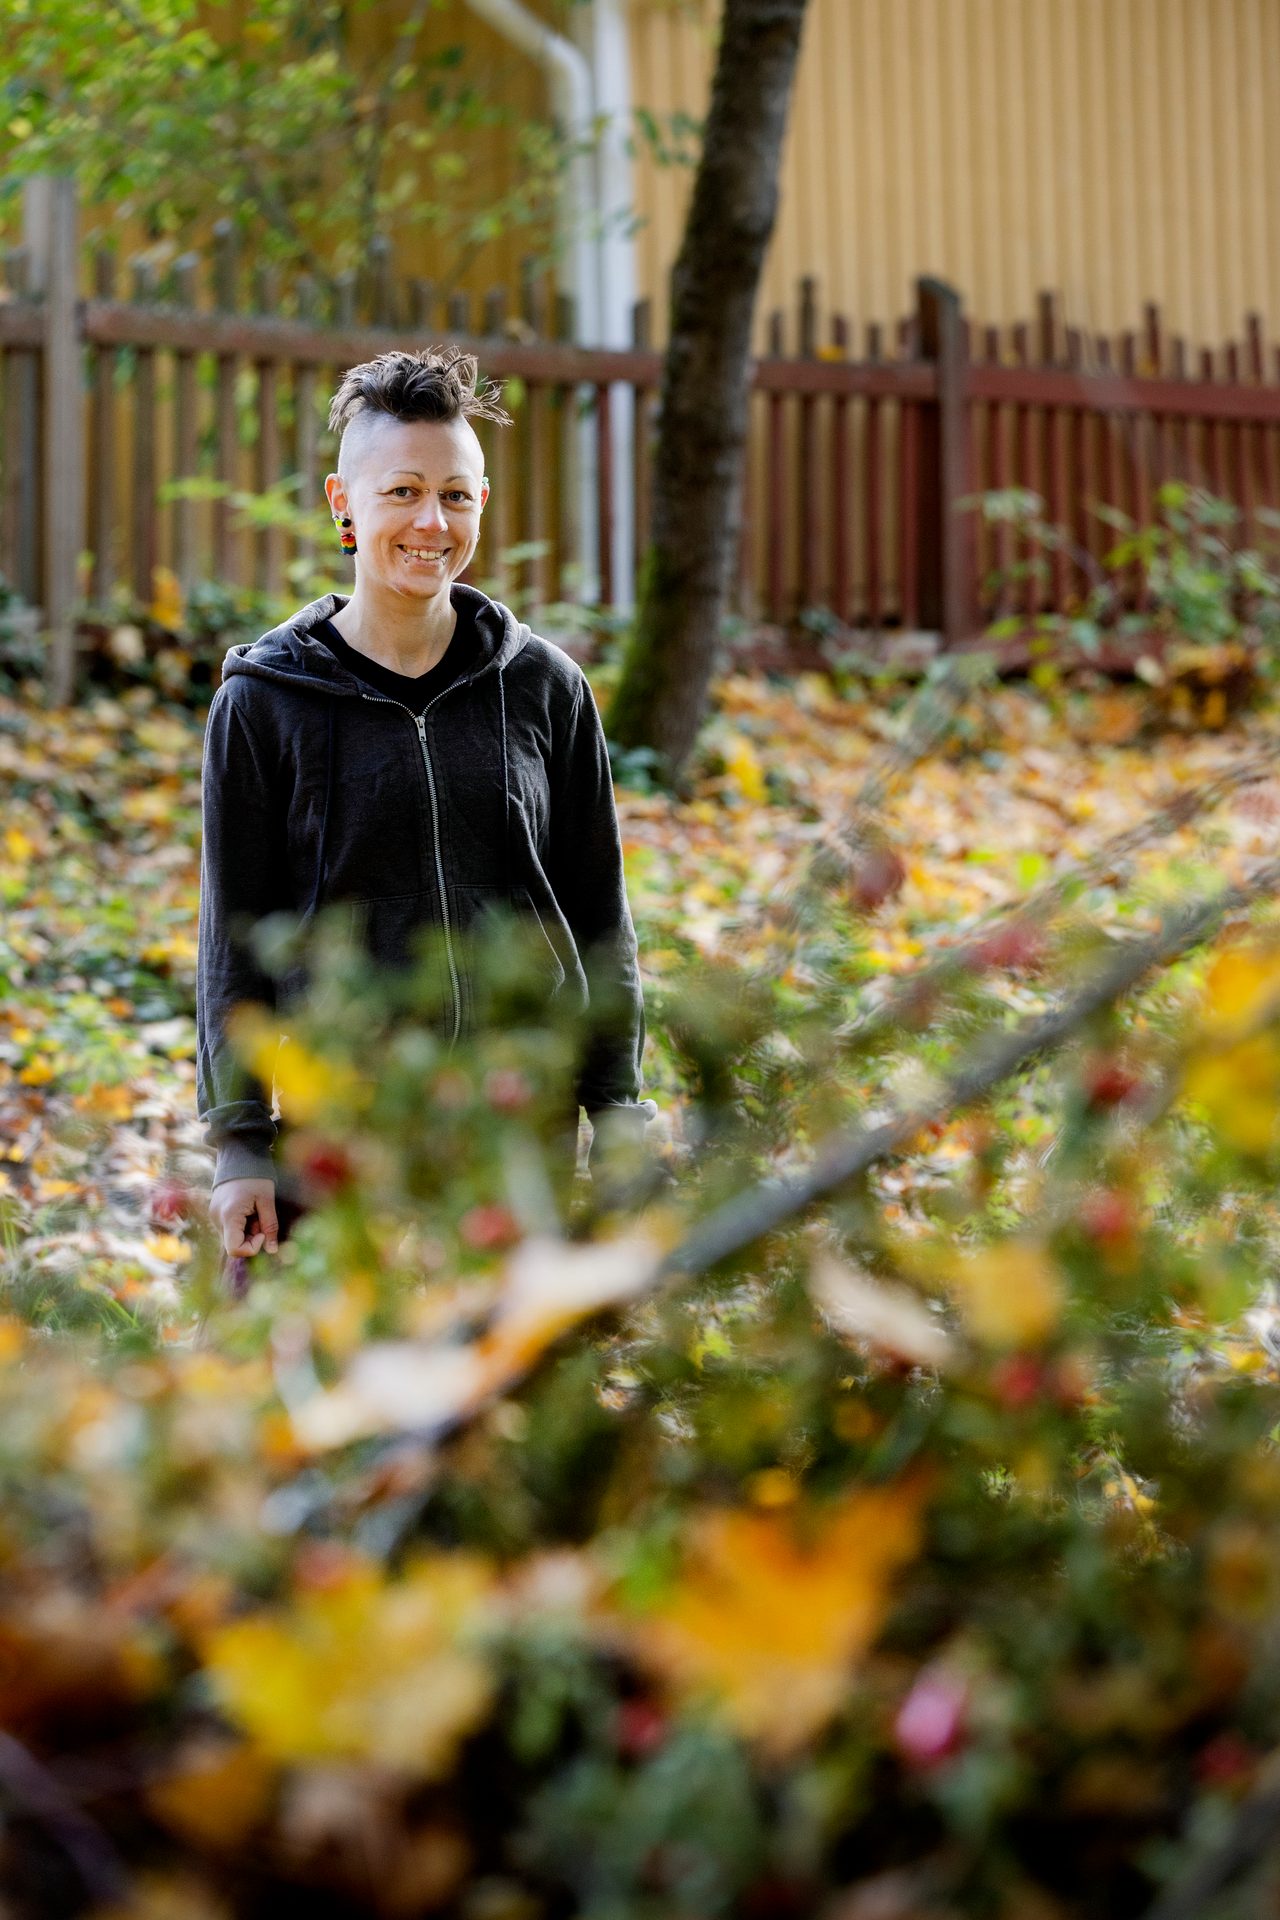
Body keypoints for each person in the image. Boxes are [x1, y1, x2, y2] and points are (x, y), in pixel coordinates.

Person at [198, 346, 649, 1264]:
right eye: (401, 491)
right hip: (338, 1135)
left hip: (516, 1128)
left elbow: (598, 914)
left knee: (501, 1397)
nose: (430, 520)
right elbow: (235, 938)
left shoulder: (545, 689)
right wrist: (240, 1143)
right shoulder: (263, 704)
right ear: (343, 506)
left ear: (482, 501)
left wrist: (620, 1109)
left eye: (456, 493)